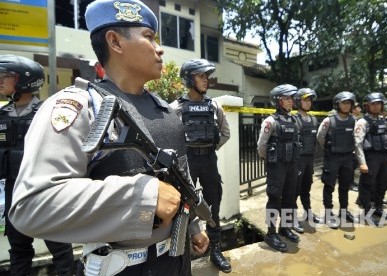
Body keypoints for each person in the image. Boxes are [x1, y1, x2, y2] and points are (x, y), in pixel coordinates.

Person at [9, 1, 209, 275]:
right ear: (114, 41)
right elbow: (31, 205)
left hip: (177, 261)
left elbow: (180, 182)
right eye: (149, 37)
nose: (159, 48)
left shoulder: (167, 111)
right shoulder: (80, 107)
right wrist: (143, 198)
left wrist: (194, 227)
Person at [0, 55, 75, 276]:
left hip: (43, 190)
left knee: (59, 247)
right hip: (14, 190)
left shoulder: (48, 113)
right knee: (19, 248)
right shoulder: (1, 115)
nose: (0, 80)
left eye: (6, 76)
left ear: (25, 80)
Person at [169, 58, 231, 273]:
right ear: (189, 78)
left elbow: (225, 133)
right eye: (201, 76)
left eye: (207, 76)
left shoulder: (214, 106)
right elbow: (168, 138)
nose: (206, 80)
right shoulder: (175, 108)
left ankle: (215, 250)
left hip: (209, 162)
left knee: (213, 206)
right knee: (183, 206)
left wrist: (210, 149)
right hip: (187, 162)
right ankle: (183, 255)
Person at [257, 84, 300, 252]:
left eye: (291, 98)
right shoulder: (270, 121)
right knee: (274, 198)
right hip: (277, 167)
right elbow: (262, 145)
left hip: (291, 165)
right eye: (287, 98)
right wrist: (270, 162)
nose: (291, 101)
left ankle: (285, 228)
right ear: (278, 100)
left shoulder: (294, 119)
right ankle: (271, 232)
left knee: (289, 197)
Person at [316, 91, 359, 229]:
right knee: (329, 186)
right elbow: (320, 137)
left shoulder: (354, 121)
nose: (347, 106)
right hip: (332, 158)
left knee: (345, 186)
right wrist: (330, 149)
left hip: (347, 158)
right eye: (344, 103)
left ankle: (344, 211)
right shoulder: (329, 120)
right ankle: (329, 214)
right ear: (337, 104)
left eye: (349, 103)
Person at [354, 92, 387, 226]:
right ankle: (366, 212)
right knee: (367, 185)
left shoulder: (383, 120)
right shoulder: (362, 121)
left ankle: (378, 207)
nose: (377, 106)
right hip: (370, 157)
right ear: (367, 106)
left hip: (384, 156)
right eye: (373, 104)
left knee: (383, 183)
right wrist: (362, 163)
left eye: (379, 103)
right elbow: (358, 143)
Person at [291, 88, 321, 233]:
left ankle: (308, 213)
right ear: (298, 101)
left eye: (310, 100)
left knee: (306, 188)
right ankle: (292, 218)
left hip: (309, 159)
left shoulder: (314, 119)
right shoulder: (294, 119)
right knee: (295, 189)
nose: (308, 103)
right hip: (298, 160)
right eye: (305, 100)